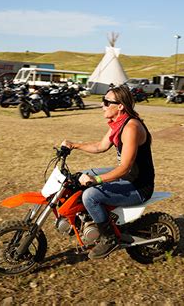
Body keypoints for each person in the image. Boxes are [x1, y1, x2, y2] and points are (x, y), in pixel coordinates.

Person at [61, 85, 154, 260]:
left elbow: (125, 167)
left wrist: (96, 179)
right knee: (83, 174)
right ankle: (92, 219)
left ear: (120, 106)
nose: (102, 106)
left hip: (138, 185)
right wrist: (74, 145)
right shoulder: (117, 124)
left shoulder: (131, 128)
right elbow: (100, 146)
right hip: (128, 176)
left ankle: (110, 238)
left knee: (90, 195)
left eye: (106, 102)